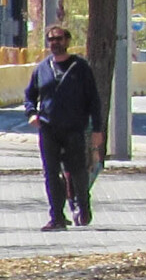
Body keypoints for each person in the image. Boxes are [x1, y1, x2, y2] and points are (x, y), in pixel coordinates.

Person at [25, 24, 105, 230]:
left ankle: (83, 207)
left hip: (74, 129)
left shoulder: (80, 67)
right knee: (51, 173)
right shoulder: (42, 68)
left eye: (59, 39)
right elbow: (29, 96)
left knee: (77, 171)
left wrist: (97, 130)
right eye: (51, 40)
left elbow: (93, 100)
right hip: (49, 129)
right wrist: (32, 113)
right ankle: (57, 217)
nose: (55, 43)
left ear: (67, 41)